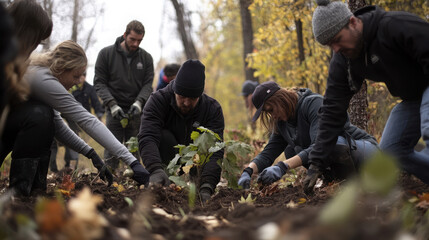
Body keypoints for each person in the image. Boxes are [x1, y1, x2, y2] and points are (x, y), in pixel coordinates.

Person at [304, 0, 429, 192]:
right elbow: (332, 110)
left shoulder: (393, 26)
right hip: (412, 99)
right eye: (330, 45)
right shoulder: (343, 59)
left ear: (353, 22)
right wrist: (316, 163)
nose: (335, 48)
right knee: (391, 152)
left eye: (337, 39)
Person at [237, 81, 378, 189]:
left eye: (272, 109)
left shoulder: (313, 104)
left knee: (333, 144)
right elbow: (268, 153)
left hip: (366, 152)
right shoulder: (282, 124)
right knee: (292, 150)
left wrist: (282, 166)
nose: (273, 116)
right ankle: (339, 181)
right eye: (268, 113)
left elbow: (321, 144)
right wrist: (248, 171)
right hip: (344, 156)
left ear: (280, 99)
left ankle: (356, 182)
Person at [138, 59, 225, 202]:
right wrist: (154, 169)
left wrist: (207, 186)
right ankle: (164, 179)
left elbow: (216, 150)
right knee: (162, 136)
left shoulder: (212, 109)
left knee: (208, 144)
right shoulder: (158, 100)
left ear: (200, 95)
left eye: (192, 99)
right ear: (174, 91)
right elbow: (147, 136)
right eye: (182, 96)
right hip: (167, 157)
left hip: (195, 162)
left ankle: (198, 185)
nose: (186, 102)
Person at [94, 20, 154, 169]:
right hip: (114, 109)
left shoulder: (146, 58)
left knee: (134, 149)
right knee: (112, 149)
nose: (135, 44)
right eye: (132, 39)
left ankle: (135, 180)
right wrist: (112, 104)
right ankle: (109, 180)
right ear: (125, 35)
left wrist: (139, 102)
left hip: (136, 110)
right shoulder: (106, 54)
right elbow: (99, 82)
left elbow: (148, 84)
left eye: (139, 41)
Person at [49, 72, 105, 172]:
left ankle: (71, 166)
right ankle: (53, 168)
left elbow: (95, 103)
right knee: (56, 142)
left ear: (85, 77)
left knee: (74, 141)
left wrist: (99, 115)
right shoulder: (68, 87)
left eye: (81, 76)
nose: (79, 80)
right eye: (77, 76)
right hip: (63, 117)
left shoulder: (89, 89)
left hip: (79, 122)